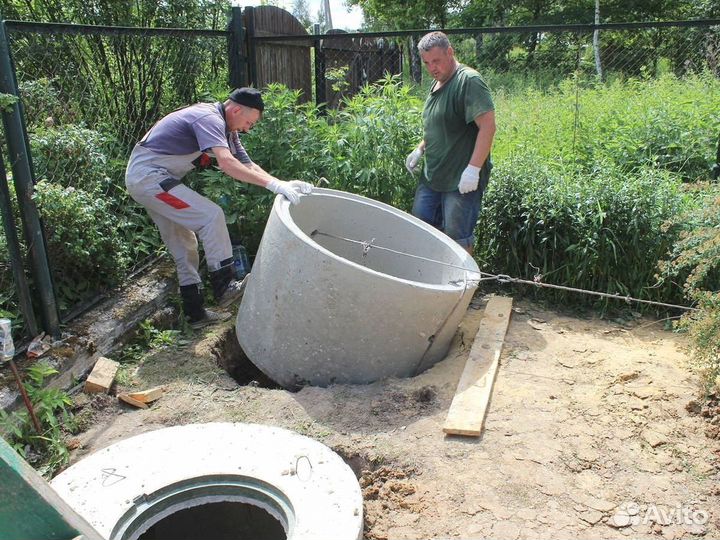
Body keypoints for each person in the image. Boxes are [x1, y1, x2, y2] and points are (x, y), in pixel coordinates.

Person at [126, 87, 312, 328]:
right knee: (211, 216)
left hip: (156, 179)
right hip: (149, 179)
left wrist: (281, 184)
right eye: (248, 122)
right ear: (235, 110)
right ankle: (225, 286)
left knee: (185, 245)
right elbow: (227, 164)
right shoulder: (209, 119)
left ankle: (196, 315)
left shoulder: (227, 127)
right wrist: (273, 186)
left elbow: (246, 164)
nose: (247, 128)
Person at [405, 31, 496, 255]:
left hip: (460, 180)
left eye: (436, 61)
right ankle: (431, 284)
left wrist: (473, 170)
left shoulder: (468, 81)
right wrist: (420, 148)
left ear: (450, 52)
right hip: (433, 176)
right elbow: (441, 124)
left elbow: (488, 127)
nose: (432, 68)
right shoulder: (437, 83)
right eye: (427, 63)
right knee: (422, 229)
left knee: (458, 240)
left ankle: (461, 287)